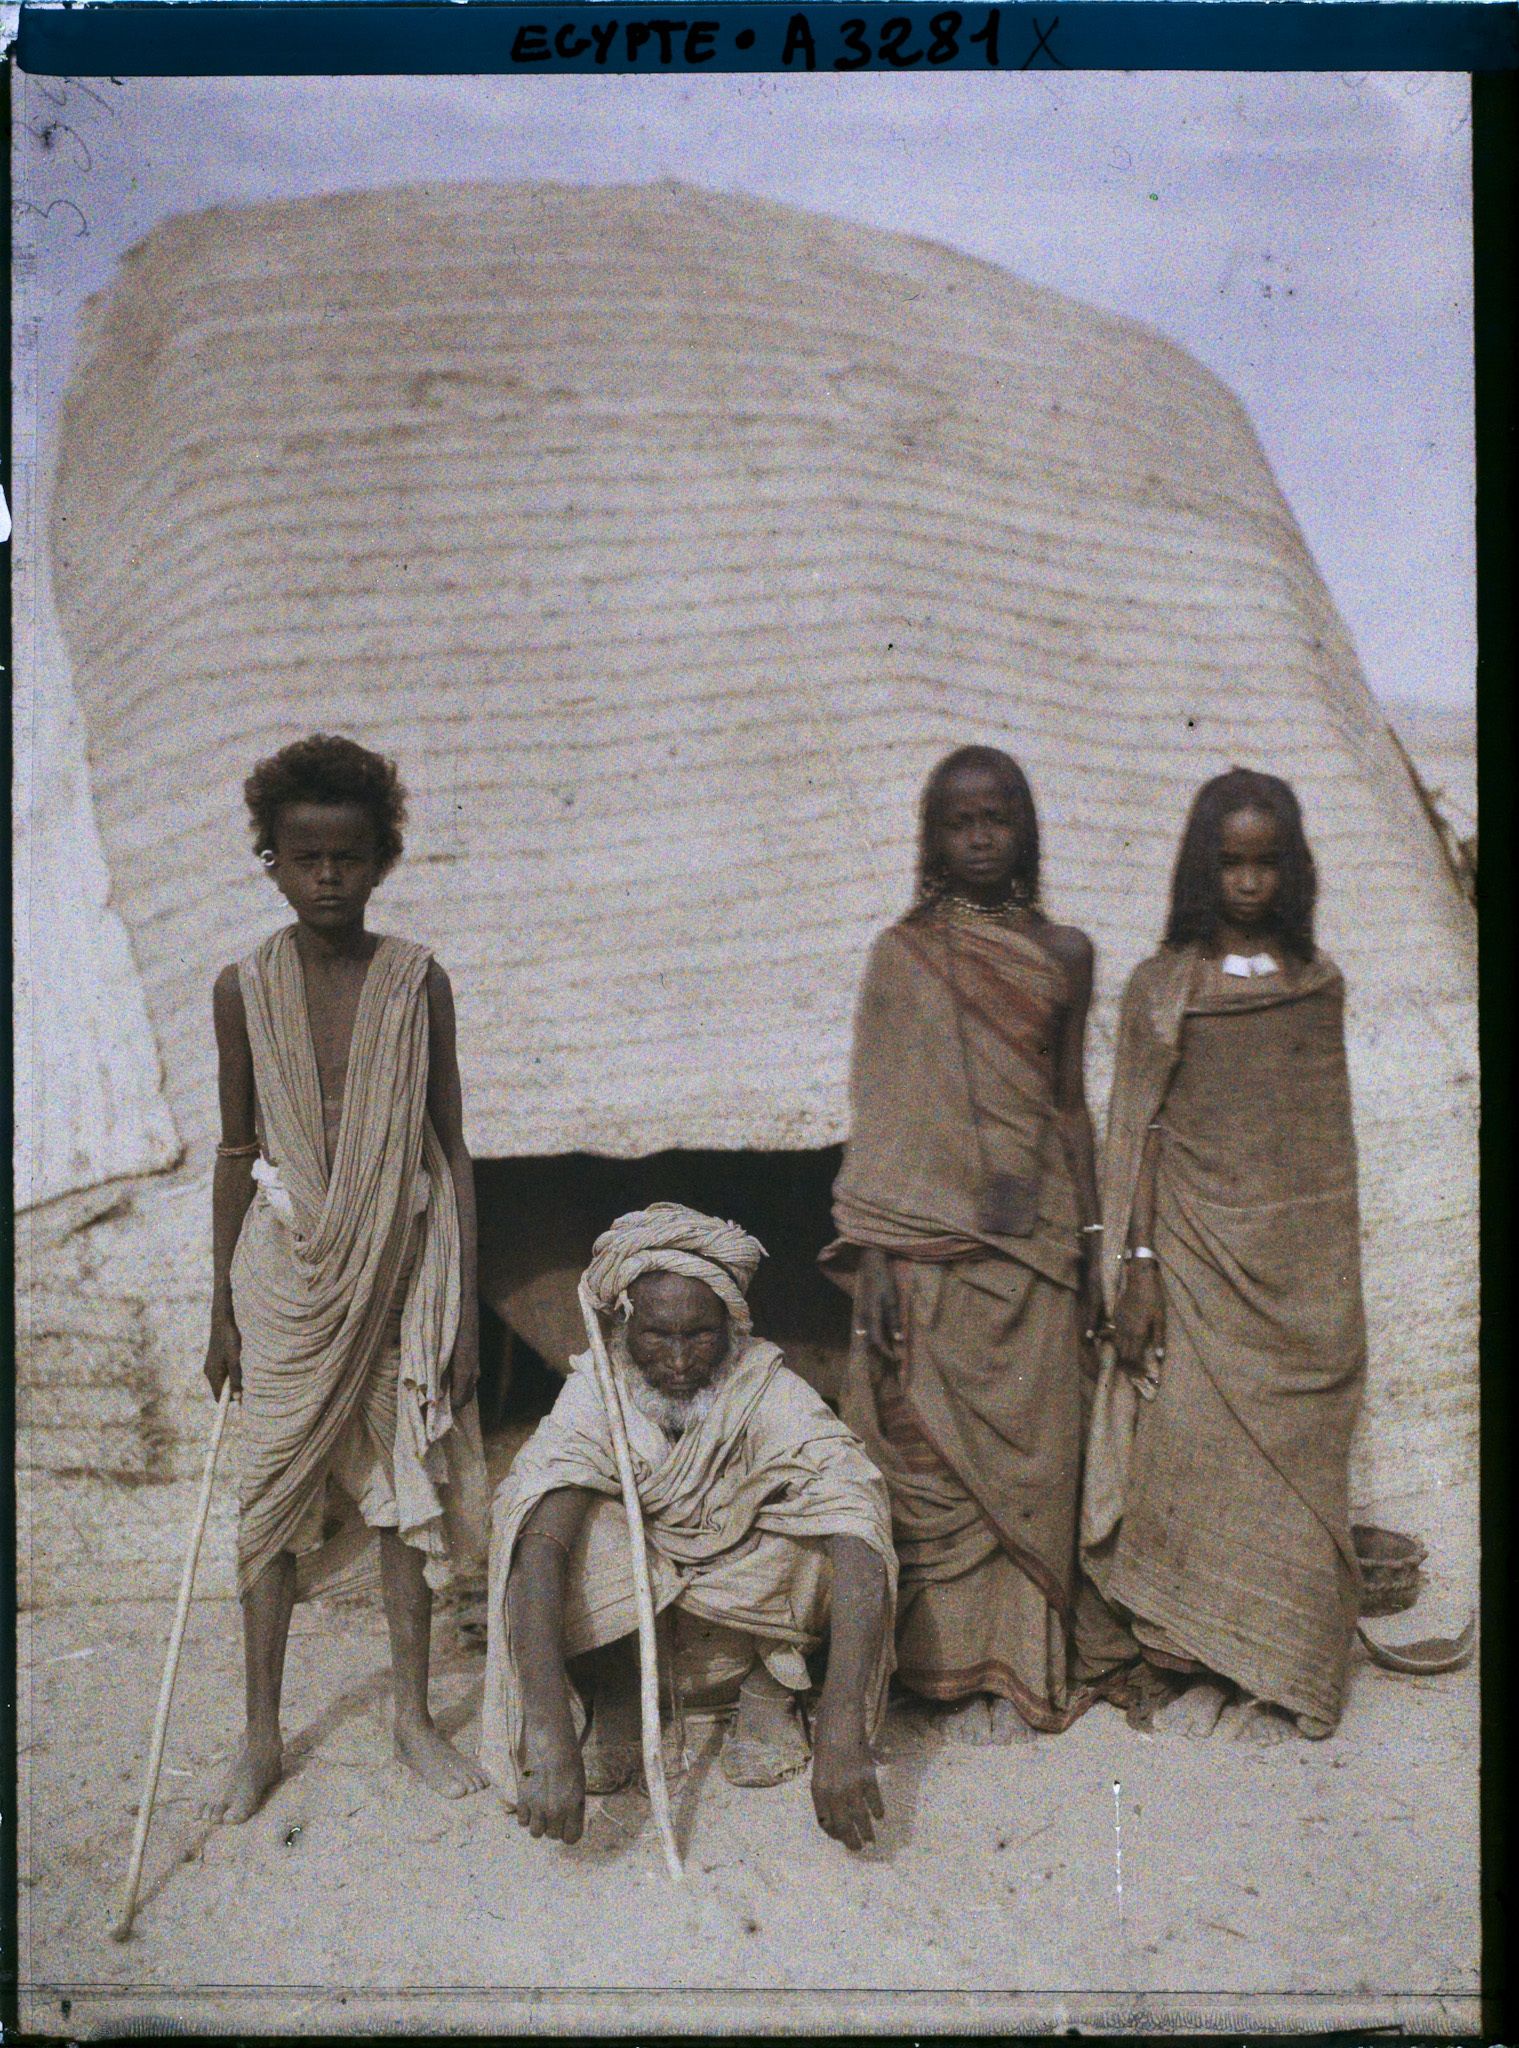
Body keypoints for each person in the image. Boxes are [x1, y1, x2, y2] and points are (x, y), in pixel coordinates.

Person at [198, 734, 489, 1822]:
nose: (329, 876)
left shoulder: (417, 981)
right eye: (306, 855)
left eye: (350, 857)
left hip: (401, 1270)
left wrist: (460, 1310)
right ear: (270, 857)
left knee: (401, 1494)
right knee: (271, 1500)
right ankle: (262, 1733)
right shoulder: (243, 987)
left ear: (381, 860)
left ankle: (411, 1712)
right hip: (284, 1277)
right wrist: (218, 1303)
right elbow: (236, 1152)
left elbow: (451, 1147)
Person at [826, 745, 1116, 1744]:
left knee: (1035, 1457)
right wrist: (869, 1249)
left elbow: (1071, 1105)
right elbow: (881, 1115)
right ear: (932, 836)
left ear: (1025, 828)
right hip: (921, 1251)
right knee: (923, 1455)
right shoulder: (899, 956)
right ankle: (934, 1672)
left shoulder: (1066, 952)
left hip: (1031, 1252)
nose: (981, 836)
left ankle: (1018, 1668)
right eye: (960, 820)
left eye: (998, 817)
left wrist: (1092, 1245)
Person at [1082, 768, 1366, 1741]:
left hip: (1305, 1284)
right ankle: (1193, 1656)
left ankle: (1280, 1671)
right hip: (1198, 1265)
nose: (1248, 881)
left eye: (1265, 861)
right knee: (1188, 1461)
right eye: (1230, 862)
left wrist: (1321, 1285)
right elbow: (1143, 1133)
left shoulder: (1314, 984)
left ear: (1290, 868)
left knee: (1289, 1481)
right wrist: (1142, 1263)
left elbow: (1328, 1158)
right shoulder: (1164, 987)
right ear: (1204, 869)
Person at [482, 1203, 896, 1852]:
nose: (677, 1359)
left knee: (843, 1516)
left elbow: (859, 1531)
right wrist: (545, 1728)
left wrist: (842, 1727)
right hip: (639, 1626)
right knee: (551, 1515)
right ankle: (617, 1691)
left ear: (733, 1328)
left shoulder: (768, 1390)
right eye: (655, 1335)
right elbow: (537, 1541)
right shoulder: (599, 1390)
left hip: (744, 1623)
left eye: (699, 1335)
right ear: (623, 1326)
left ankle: (766, 1694)